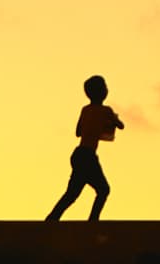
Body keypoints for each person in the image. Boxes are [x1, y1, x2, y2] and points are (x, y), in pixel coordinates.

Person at [47, 75, 124, 221]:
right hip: (88, 155)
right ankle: (93, 221)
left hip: (78, 154)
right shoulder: (106, 110)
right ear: (102, 92)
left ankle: (52, 219)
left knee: (72, 194)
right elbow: (121, 125)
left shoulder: (85, 109)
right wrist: (111, 120)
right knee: (103, 189)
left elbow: (78, 132)